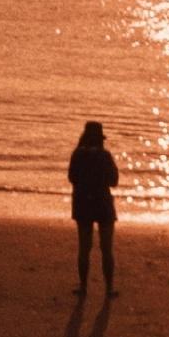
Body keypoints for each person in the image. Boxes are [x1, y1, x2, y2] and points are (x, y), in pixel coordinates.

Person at [68, 118, 120, 299]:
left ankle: (83, 287)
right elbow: (114, 181)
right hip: (103, 203)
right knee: (106, 248)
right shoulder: (105, 156)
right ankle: (109, 288)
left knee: (84, 248)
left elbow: (72, 178)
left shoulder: (77, 155)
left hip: (82, 203)